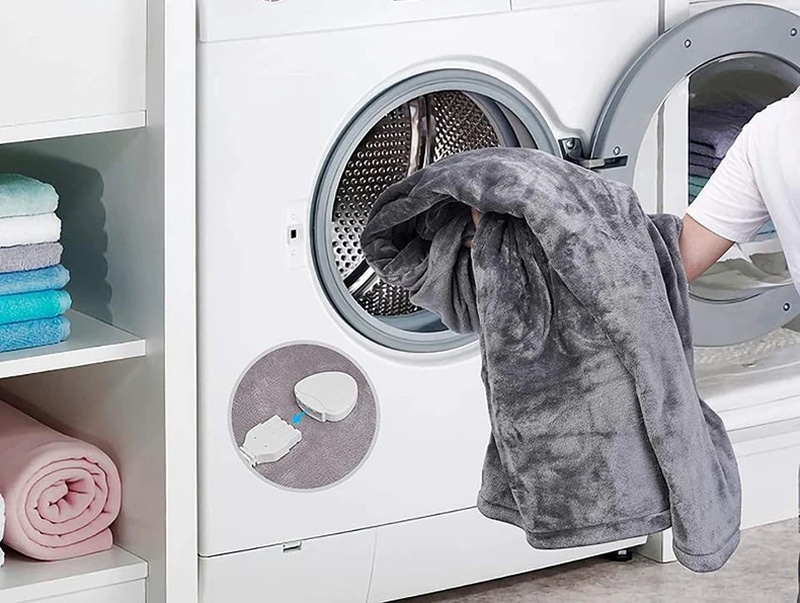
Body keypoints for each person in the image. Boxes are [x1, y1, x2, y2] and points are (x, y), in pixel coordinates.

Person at [468, 88, 800, 288]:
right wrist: (513, 235)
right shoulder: (768, 133)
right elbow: (673, 260)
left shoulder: (772, 130)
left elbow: (667, 264)